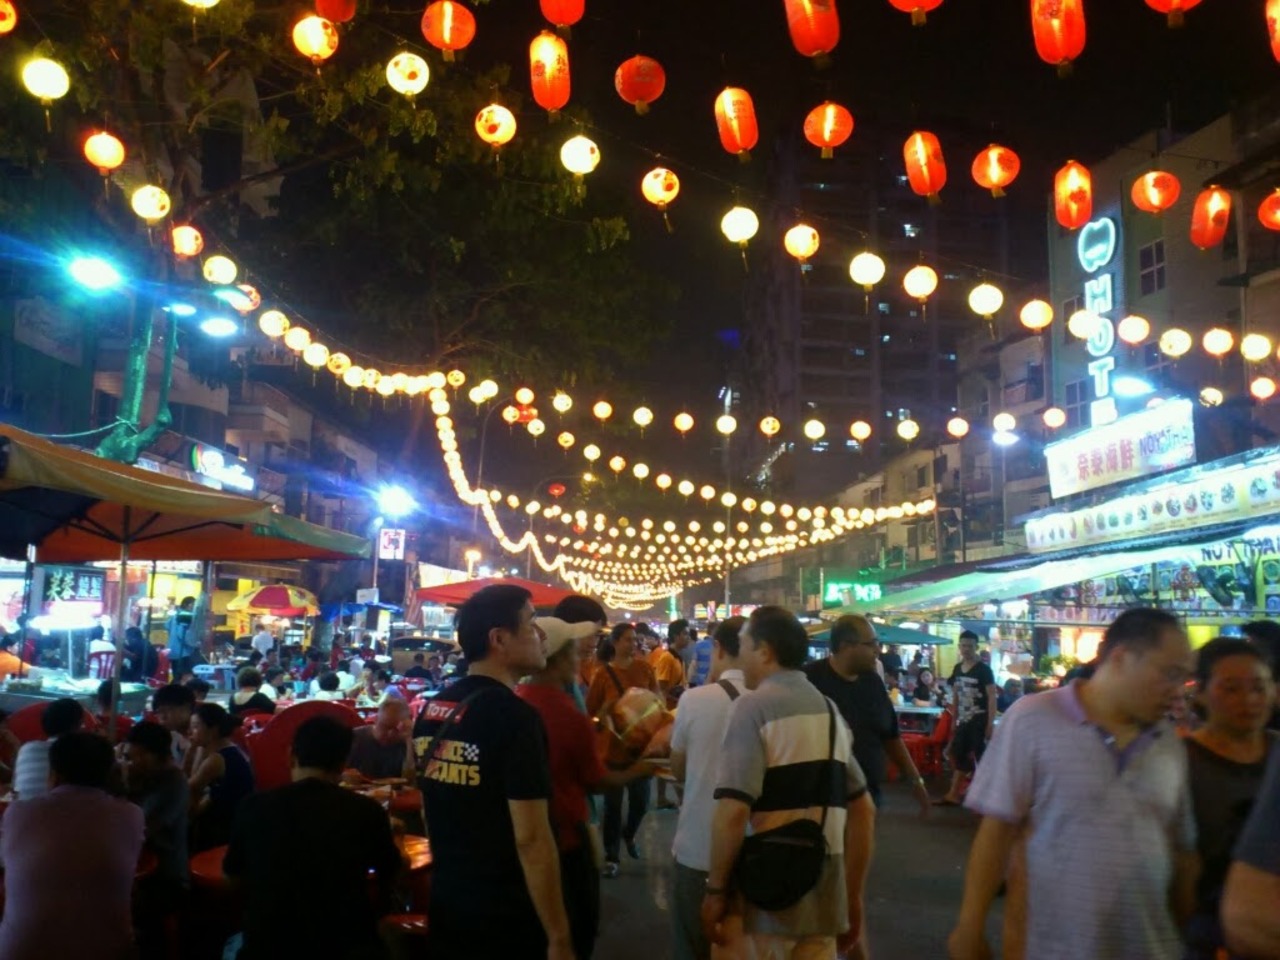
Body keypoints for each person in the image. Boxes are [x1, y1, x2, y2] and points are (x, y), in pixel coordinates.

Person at [947, 608, 1198, 960]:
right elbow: (997, 831)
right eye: (1170, 674)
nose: (1179, 692)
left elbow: (1182, 852)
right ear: (1121, 658)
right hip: (1055, 948)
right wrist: (970, 926)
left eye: (1184, 678)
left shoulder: (1169, 742)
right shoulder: (1032, 719)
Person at [702, 606, 875, 959]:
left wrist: (716, 890)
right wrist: (852, 896)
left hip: (765, 900)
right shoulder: (829, 710)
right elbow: (864, 809)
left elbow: (734, 811)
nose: (741, 658)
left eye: (745, 645)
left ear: (765, 651)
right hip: (823, 902)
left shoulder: (753, 708)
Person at [413, 583, 572, 959]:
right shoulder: (515, 717)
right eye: (531, 623)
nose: (541, 636)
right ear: (499, 639)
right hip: (504, 914)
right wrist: (559, 935)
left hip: (447, 903)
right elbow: (531, 838)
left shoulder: (432, 709)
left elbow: (428, 806)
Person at [518, 617, 659, 960]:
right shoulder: (566, 714)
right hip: (567, 838)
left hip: (527, 838)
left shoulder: (517, 701)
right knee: (575, 933)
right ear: (558, 659)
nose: (581, 659)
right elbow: (597, 782)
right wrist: (642, 769)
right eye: (575, 653)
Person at [224, 715, 402, 959]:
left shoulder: (253, 807)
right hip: (348, 947)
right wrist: (398, 838)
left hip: (266, 948)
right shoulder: (366, 811)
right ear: (343, 763)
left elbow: (232, 878)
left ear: (290, 755)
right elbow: (392, 873)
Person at [0, 732, 144, 960]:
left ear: (53, 773)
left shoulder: (17, 813)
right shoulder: (132, 815)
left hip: (21, 952)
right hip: (109, 952)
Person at [1182, 638, 1277, 959]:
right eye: (1231, 689)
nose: (1249, 700)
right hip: (1202, 934)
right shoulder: (1179, 762)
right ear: (1200, 692)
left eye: (1259, 688)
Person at [670, 616, 748, 960]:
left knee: (693, 945)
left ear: (717, 648)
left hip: (698, 847)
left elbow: (678, 768)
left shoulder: (694, 700)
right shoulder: (773, 703)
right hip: (755, 852)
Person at [803, 614, 931, 817]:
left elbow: (891, 736)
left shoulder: (872, 682)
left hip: (869, 793)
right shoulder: (809, 680)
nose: (878, 650)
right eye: (871, 644)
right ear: (845, 646)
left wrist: (916, 780)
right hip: (822, 798)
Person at [586, 622, 660, 876]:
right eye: (628, 639)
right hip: (613, 751)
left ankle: (629, 834)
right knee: (613, 807)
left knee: (641, 802)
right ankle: (612, 855)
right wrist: (604, 713)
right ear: (615, 642)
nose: (634, 643)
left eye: (635, 639)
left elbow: (657, 698)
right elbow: (590, 714)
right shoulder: (602, 675)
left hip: (640, 749)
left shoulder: (645, 668)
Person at [123, 720, 190, 954]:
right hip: (139, 871)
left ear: (153, 755)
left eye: (135, 757)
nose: (131, 762)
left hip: (165, 878)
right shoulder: (144, 776)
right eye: (129, 757)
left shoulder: (174, 782)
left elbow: (140, 830)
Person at [936, 630, 998, 807]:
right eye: (963, 645)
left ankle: (989, 796)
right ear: (959, 647)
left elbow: (992, 697)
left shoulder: (984, 670)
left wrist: (990, 724)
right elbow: (956, 695)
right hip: (963, 720)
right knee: (960, 755)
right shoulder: (957, 669)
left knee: (981, 757)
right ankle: (954, 794)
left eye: (970, 646)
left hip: (979, 719)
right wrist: (954, 719)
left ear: (976, 647)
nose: (966, 649)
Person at [187, 702, 255, 850]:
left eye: (195, 727)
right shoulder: (231, 748)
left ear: (213, 730)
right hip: (239, 821)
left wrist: (193, 748)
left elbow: (191, 786)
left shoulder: (217, 760)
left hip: (224, 830)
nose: (190, 732)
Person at [13, 697, 83, 799]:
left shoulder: (26, 749)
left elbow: (15, 788)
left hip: (22, 808)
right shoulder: (81, 753)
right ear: (78, 725)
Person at [346, 698, 416, 781]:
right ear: (376, 720)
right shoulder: (355, 738)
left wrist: (409, 740)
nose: (390, 733)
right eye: (384, 727)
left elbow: (410, 779)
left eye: (396, 729)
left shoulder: (405, 744)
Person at [152, 683, 197, 769]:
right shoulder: (171, 739)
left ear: (187, 707)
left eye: (167, 710)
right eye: (158, 712)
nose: (163, 717)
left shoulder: (203, 740)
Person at [165, 596, 197, 681]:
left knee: (177, 676)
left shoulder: (175, 615)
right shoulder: (186, 616)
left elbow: (167, 625)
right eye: (193, 605)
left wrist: (173, 636)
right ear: (187, 605)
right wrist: (194, 644)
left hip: (172, 651)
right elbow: (181, 634)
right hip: (182, 653)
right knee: (185, 678)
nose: (194, 608)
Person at [688, 624, 715, 688]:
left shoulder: (699, 645)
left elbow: (693, 666)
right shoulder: (719, 647)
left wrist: (690, 682)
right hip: (715, 684)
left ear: (708, 631)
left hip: (700, 683)